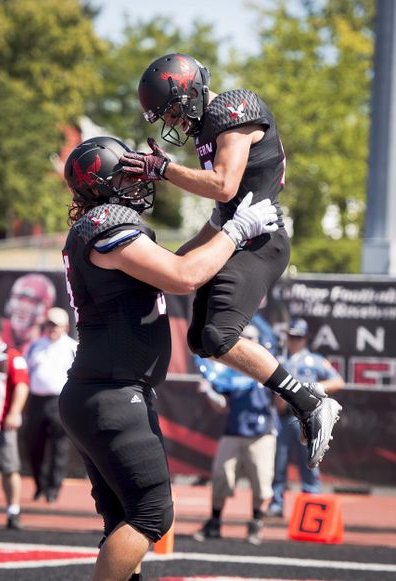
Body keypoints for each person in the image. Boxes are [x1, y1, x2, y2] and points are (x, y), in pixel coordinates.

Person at [59, 135, 281, 581]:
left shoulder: (102, 227)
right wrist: (237, 231)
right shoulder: (106, 224)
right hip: (112, 392)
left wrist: (220, 222)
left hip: (106, 390)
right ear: (101, 184)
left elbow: (174, 263)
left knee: (126, 519)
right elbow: (183, 277)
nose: (138, 179)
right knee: (151, 518)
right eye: (125, 173)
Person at [120, 52, 342, 471]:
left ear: (191, 90)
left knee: (220, 336)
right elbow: (221, 216)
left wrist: (165, 170)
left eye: (173, 110)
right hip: (237, 233)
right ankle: (304, 398)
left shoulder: (234, 108)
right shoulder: (210, 125)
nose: (175, 122)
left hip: (261, 240)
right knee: (202, 341)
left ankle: (309, 401)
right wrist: (170, 262)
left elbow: (224, 187)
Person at [193, 324, 279, 545]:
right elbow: (222, 406)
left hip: (261, 433)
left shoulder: (268, 367)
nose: (244, 342)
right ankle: (214, 522)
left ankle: (256, 525)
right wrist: (210, 391)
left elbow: (279, 403)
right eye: (242, 338)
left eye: (249, 338)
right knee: (221, 477)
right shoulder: (230, 372)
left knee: (261, 483)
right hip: (233, 431)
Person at [268, 318, 345, 518]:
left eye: (298, 337)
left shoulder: (315, 360)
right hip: (283, 418)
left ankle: (312, 500)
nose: (294, 341)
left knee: (309, 460)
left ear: (305, 339)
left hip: (306, 419)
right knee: (279, 462)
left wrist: (311, 391)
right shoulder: (278, 360)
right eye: (291, 336)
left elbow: (338, 381)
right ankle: (276, 502)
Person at [24, 307, 77, 503]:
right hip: (37, 401)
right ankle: (40, 484)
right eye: (49, 324)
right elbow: (25, 373)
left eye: (56, 325)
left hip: (60, 402)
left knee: (60, 447)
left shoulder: (73, 347)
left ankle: (53, 489)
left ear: (65, 327)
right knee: (33, 445)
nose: (52, 328)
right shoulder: (34, 346)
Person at [0, 314, 29, 530]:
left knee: (9, 468)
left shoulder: (11, 356)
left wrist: (15, 412)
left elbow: (22, 385)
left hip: (2, 421)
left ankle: (13, 511)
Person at [2, 273, 56, 354]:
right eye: (19, 298)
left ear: (46, 309)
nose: (23, 306)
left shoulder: (49, 343)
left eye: (32, 301)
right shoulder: (0, 331)